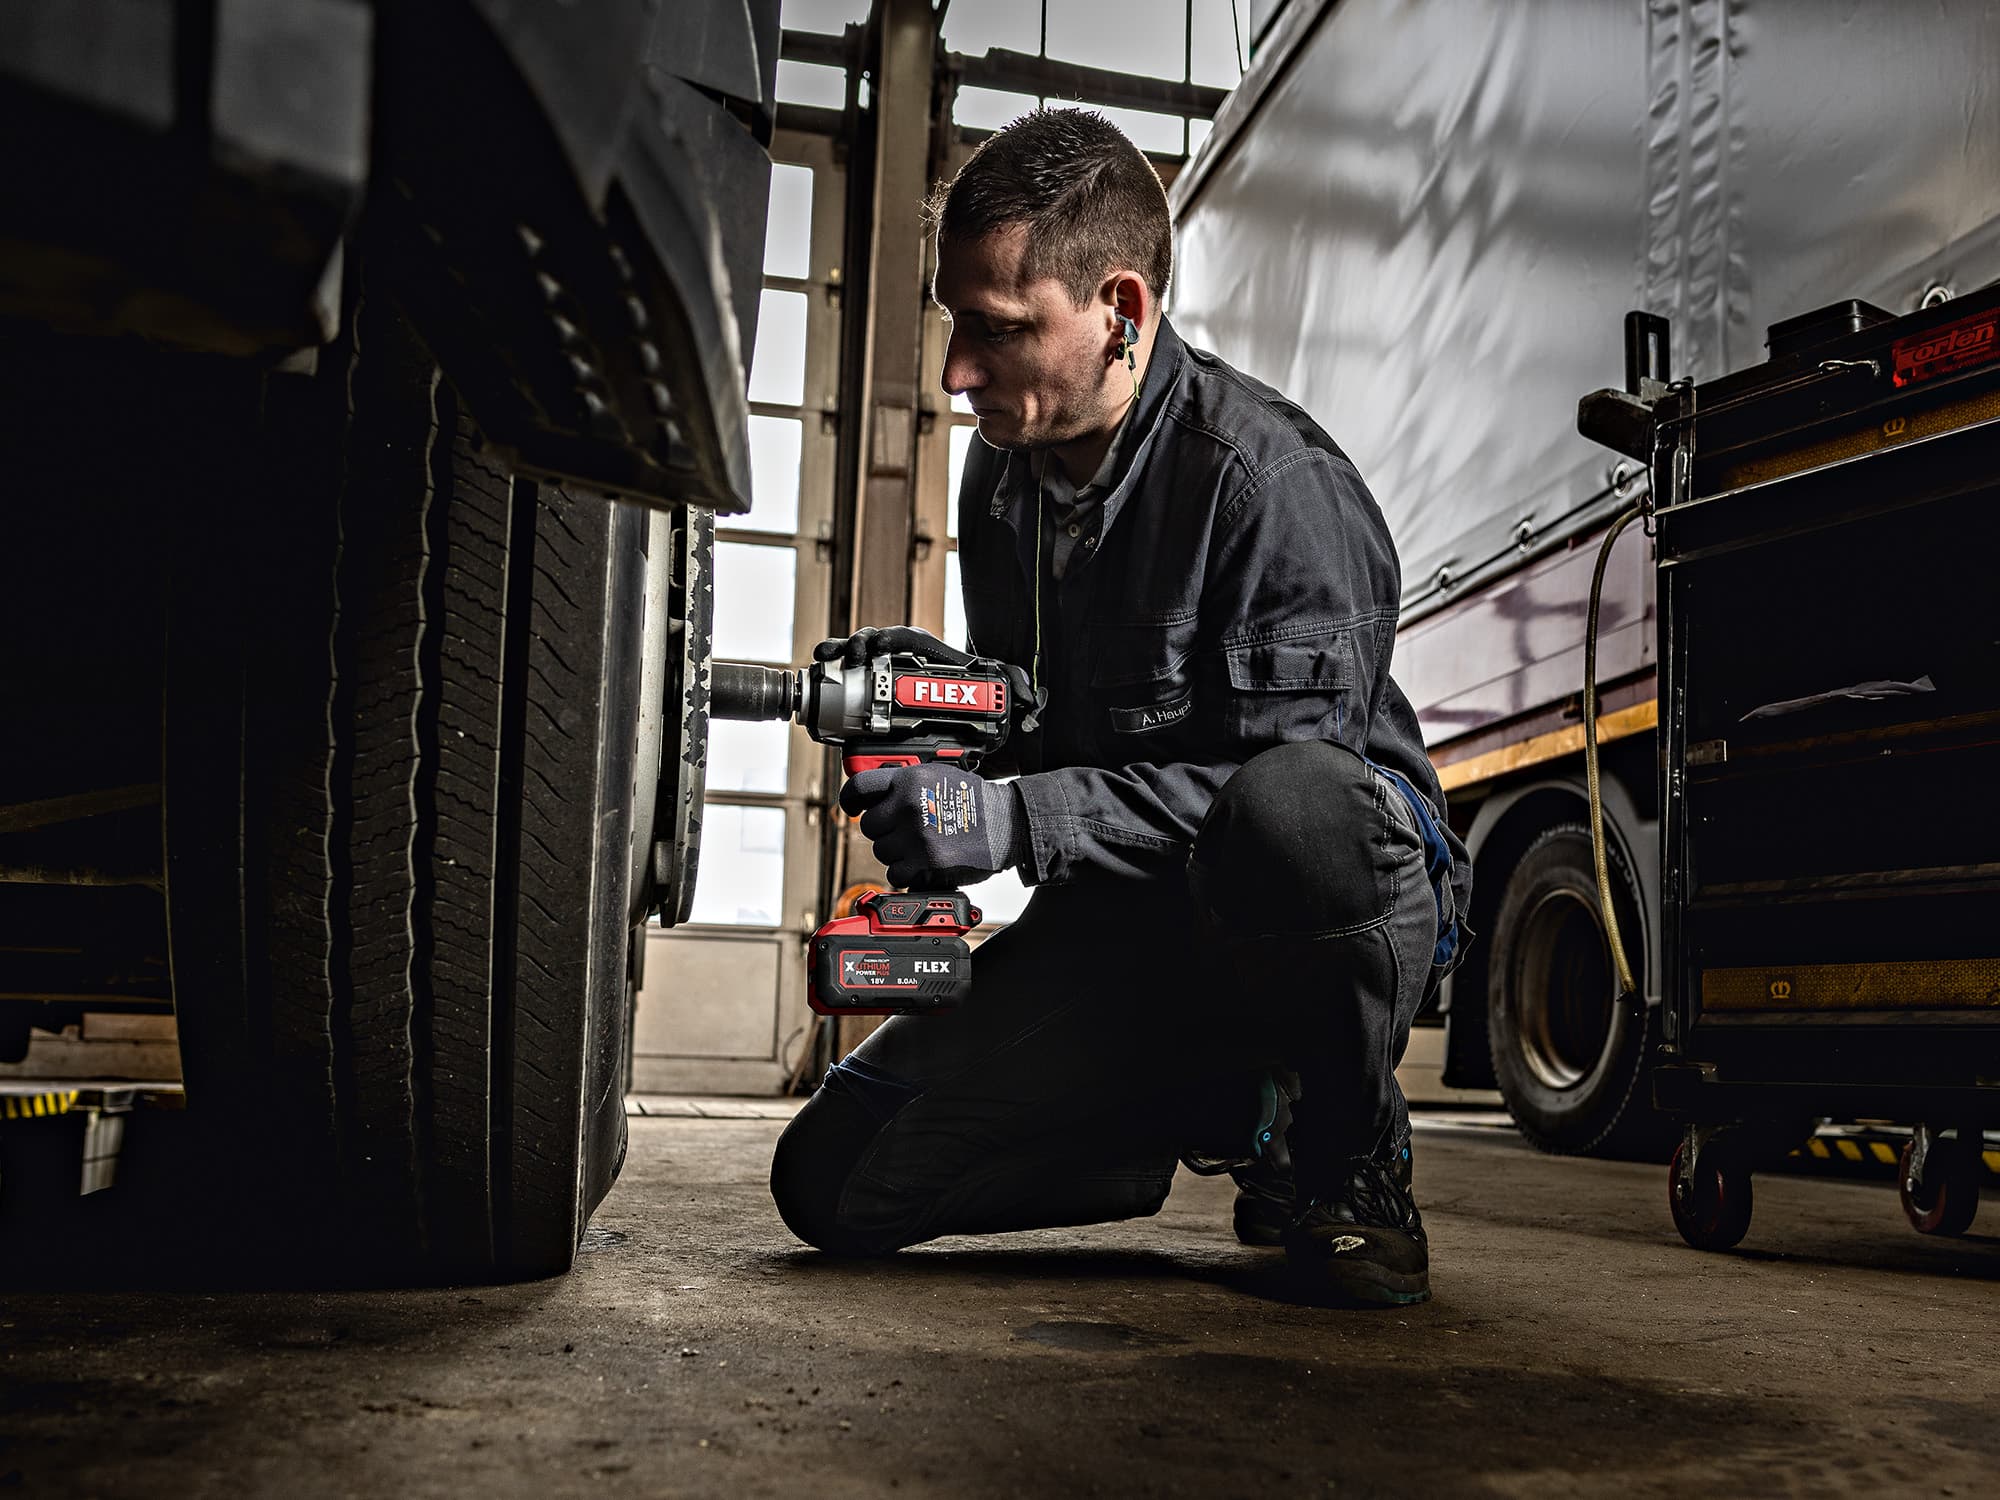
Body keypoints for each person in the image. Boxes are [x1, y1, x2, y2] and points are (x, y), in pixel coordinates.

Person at [769, 108, 1471, 1307]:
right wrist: (956, 708)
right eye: (954, 325)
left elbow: (1280, 795)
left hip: (1319, 910)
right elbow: (1055, 713)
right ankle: (1220, 1113)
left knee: (1293, 814)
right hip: (1133, 921)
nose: (955, 374)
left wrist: (1015, 822)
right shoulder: (1007, 469)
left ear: (1121, 312)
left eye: (996, 331)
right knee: (834, 1184)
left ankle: (1348, 1153)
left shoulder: (1271, 488)